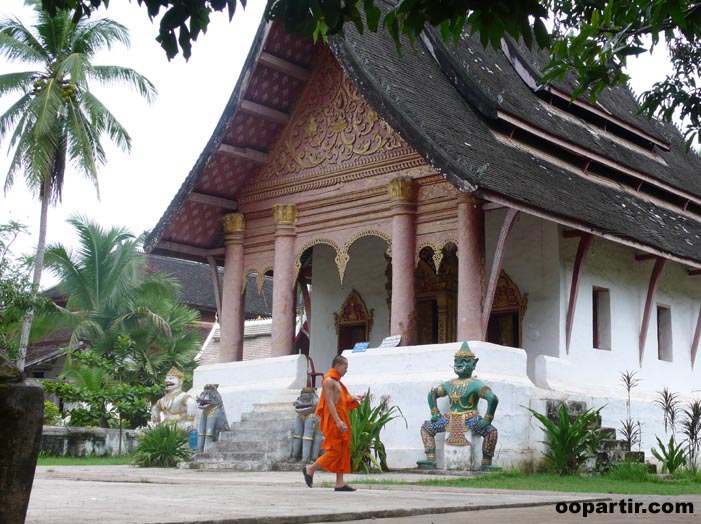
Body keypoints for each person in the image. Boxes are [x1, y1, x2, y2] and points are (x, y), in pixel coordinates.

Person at [417, 343, 499, 470]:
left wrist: (487, 419)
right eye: (457, 361)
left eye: (465, 361)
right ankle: (431, 460)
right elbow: (432, 394)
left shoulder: (476, 384)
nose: (460, 364)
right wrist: (434, 412)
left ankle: (486, 463)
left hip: (470, 419)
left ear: (474, 364)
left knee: (491, 432)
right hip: (452, 419)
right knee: (426, 428)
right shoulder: (450, 384)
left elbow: (493, 398)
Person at [302, 355, 364, 491]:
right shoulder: (329, 381)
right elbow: (330, 403)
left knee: (342, 449)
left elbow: (340, 400)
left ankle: (340, 483)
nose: (346, 370)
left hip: (341, 418)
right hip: (334, 420)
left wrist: (353, 397)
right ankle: (310, 469)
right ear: (337, 366)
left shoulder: (337, 382)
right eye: (345, 367)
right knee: (335, 451)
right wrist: (338, 422)